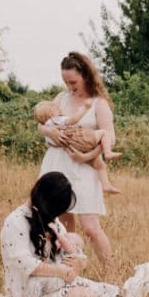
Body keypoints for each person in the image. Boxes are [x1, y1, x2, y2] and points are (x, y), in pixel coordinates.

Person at [0, 172, 121, 297]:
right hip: (30, 292)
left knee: (108, 292)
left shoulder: (52, 221)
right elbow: (22, 262)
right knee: (86, 296)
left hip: (57, 284)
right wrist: (60, 271)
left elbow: (70, 252)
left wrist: (77, 263)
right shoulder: (15, 222)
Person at [38, 52, 117, 277]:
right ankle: (70, 272)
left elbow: (109, 137)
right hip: (57, 163)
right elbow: (42, 125)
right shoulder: (61, 99)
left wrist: (85, 156)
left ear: (85, 75)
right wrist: (49, 130)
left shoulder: (98, 104)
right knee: (62, 225)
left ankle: (111, 274)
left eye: (73, 82)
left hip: (83, 167)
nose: (69, 86)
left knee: (91, 226)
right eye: (66, 82)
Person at [35, 100, 122, 194]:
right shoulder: (59, 119)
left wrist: (85, 157)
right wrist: (85, 108)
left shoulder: (48, 124)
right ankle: (107, 154)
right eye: (56, 109)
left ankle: (106, 185)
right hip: (80, 142)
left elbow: (42, 130)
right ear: (52, 114)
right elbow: (73, 120)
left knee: (99, 165)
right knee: (104, 134)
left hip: (69, 149)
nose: (59, 109)